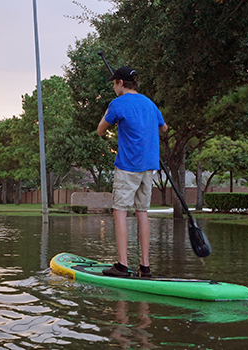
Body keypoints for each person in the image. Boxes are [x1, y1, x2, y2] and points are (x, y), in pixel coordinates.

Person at [97, 66, 168, 277]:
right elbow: (164, 128)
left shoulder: (117, 104)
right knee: (142, 212)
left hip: (128, 166)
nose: (113, 87)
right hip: (149, 166)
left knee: (120, 211)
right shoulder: (149, 103)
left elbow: (101, 130)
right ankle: (145, 267)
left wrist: (109, 114)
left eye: (113, 83)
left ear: (120, 82)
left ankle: (122, 265)